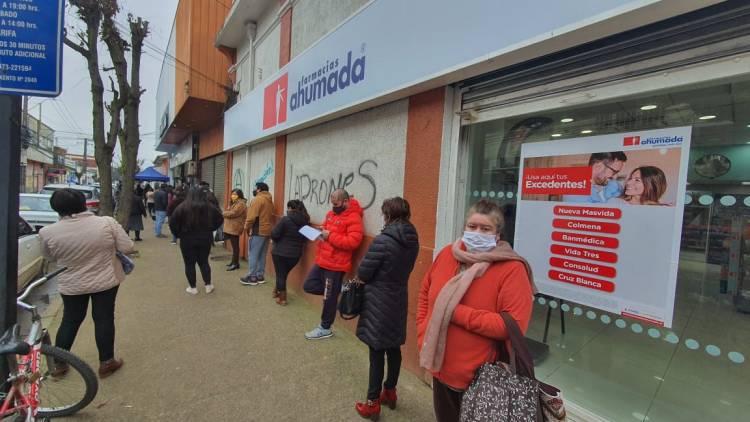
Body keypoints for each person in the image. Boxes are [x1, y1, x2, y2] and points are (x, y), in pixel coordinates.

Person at [416, 199, 535, 422]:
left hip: (481, 380)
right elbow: (425, 294)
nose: (477, 232)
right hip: (440, 369)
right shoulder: (447, 254)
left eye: (485, 228)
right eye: (472, 226)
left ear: (497, 234)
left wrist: (454, 310)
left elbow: (512, 326)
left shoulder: (511, 269)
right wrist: (422, 329)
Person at [39, 188, 133, 378]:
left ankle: (59, 364)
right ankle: (107, 362)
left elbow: (49, 256)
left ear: (56, 208)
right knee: (104, 318)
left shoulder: (47, 232)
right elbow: (128, 247)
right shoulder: (106, 223)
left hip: (72, 283)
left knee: (70, 320)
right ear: (84, 203)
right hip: (105, 281)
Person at [354, 197, 419, 419]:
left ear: (388, 215)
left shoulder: (383, 241)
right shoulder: (413, 240)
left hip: (378, 301)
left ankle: (372, 403)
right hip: (398, 298)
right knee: (393, 348)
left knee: (376, 351)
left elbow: (363, 273)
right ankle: (389, 392)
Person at [303, 189, 364, 340]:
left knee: (328, 298)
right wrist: (321, 231)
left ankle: (325, 328)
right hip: (322, 260)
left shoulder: (354, 217)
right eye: (332, 203)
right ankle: (338, 289)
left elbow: (353, 242)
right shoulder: (331, 214)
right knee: (308, 285)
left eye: (336, 204)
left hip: (336, 265)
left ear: (345, 201)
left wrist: (330, 236)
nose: (333, 206)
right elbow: (327, 229)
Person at [169, 188, 224, 295]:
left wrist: (178, 235)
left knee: (189, 263)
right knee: (204, 262)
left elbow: (173, 223)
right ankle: (208, 285)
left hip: (187, 239)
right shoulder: (209, 207)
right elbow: (220, 219)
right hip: (205, 238)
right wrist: (211, 229)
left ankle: (193, 287)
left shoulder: (182, 207)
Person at [270, 199, 310, 306]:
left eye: (288, 208)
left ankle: (282, 298)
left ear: (291, 208)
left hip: (280, 252)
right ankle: (276, 290)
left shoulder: (285, 219)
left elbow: (274, 234)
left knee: (280, 274)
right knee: (282, 274)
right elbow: (305, 238)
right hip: (295, 255)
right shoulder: (306, 221)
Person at [240, 182, 274, 286]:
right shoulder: (269, 200)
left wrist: (246, 227)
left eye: (255, 188)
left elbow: (251, 217)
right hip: (267, 231)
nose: (254, 190)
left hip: (257, 231)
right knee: (262, 255)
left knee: (253, 254)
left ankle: (252, 277)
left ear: (259, 189)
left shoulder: (257, 200)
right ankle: (260, 276)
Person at [562, 151, 627, 203]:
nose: (615, 177)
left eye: (617, 173)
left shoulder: (614, 185)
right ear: (598, 166)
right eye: (614, 171)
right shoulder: (574, 191)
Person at [223, 189, 248, 271]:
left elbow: (233, 213)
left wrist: (224, 213)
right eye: (232, 194)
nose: (233, 195)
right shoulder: (234, 202)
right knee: (234, 246)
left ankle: (235, 264)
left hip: (235, 227)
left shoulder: (241, 204)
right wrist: (227, 211)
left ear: (239, 195)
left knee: (235, 246)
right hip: (231, 227)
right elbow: (229, 211)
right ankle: (233, 261)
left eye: (235, 194)